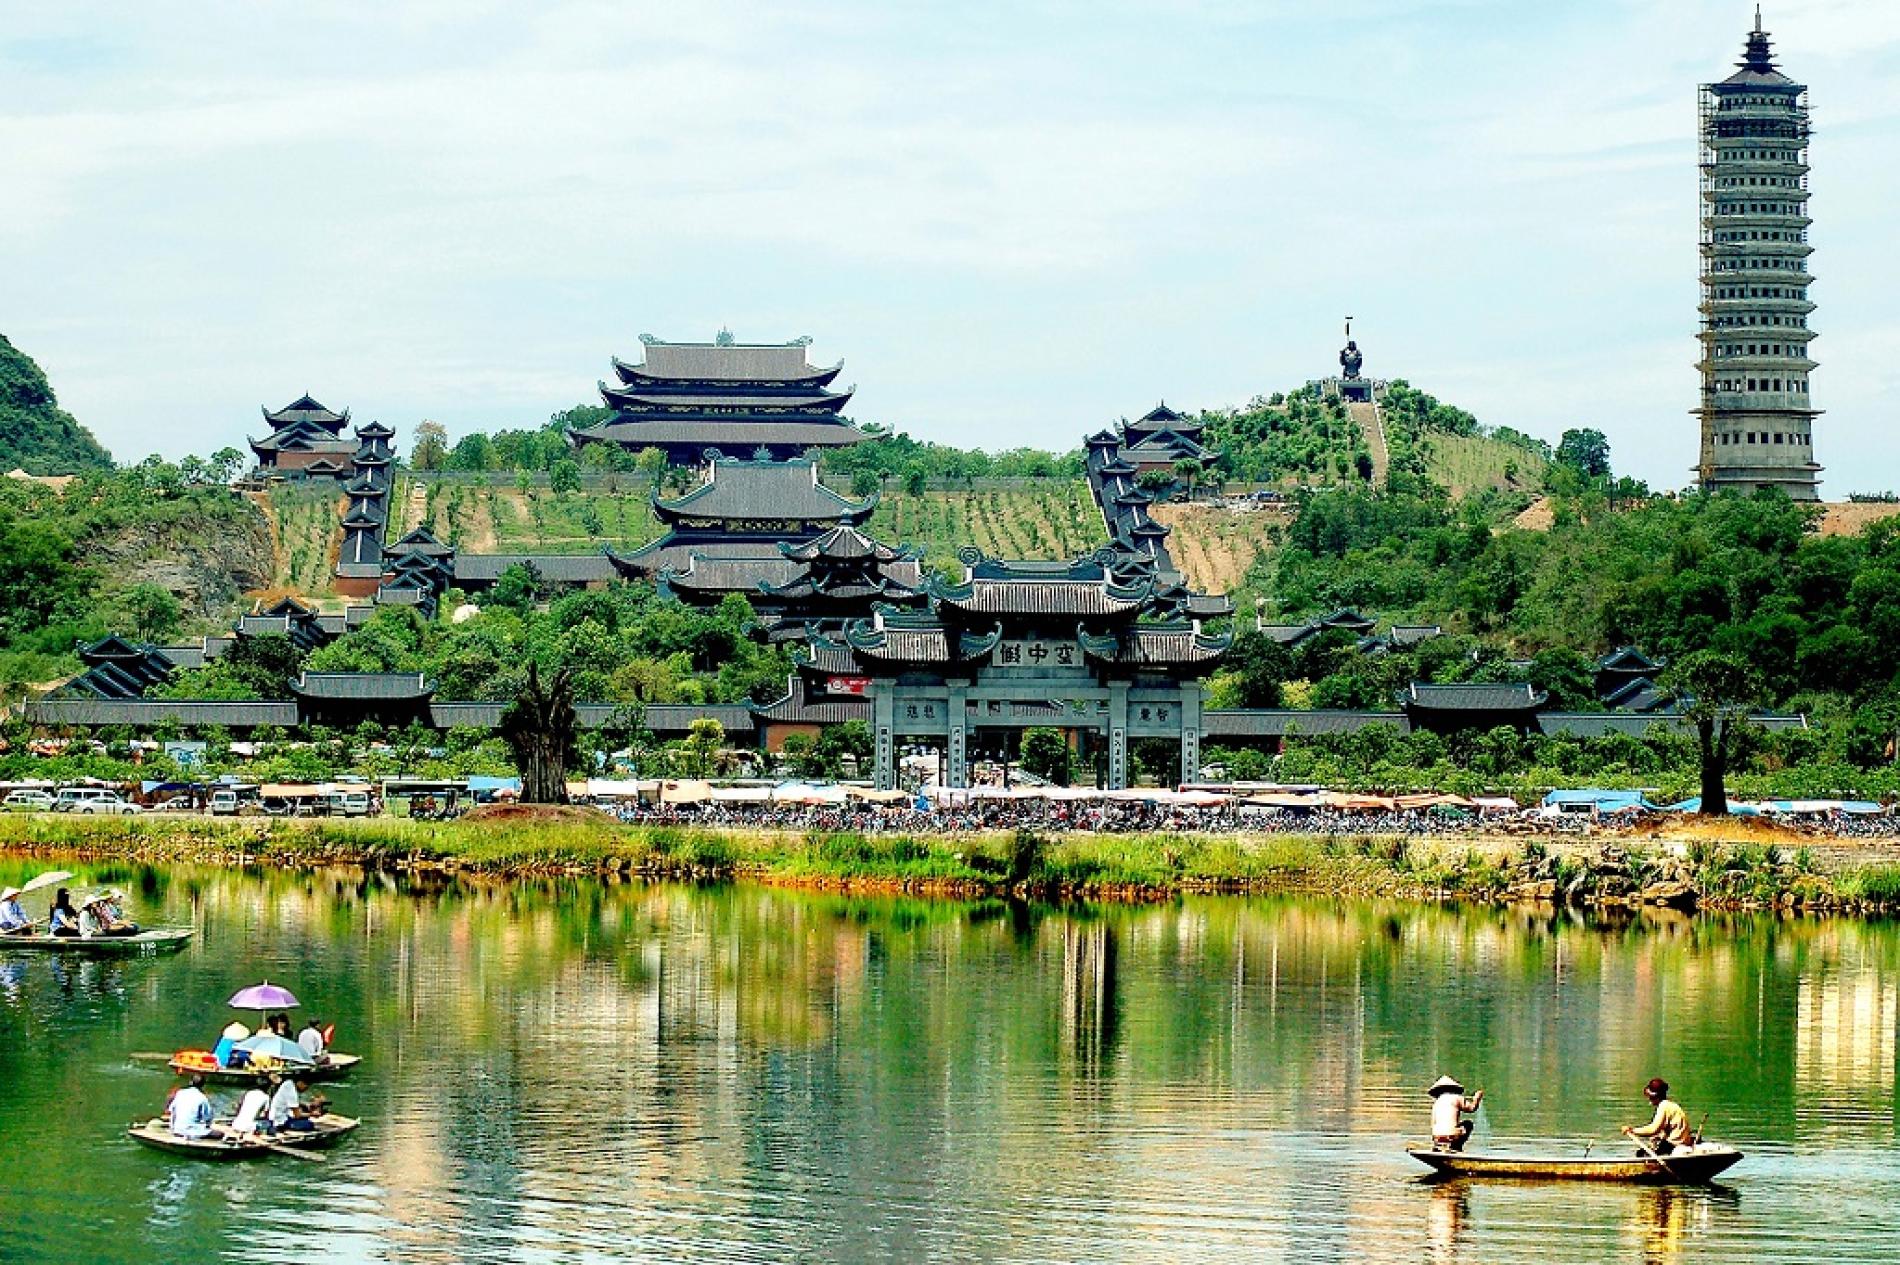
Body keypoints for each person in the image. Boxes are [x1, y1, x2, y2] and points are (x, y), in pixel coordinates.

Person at [1623, 1077, 1694, 1156]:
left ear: (1656, 1097)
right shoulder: (1671, 1104)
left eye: (1651, 1098)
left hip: (1675, 1144)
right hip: (1681, 1142)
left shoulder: (1664, 1106)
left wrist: (1632, 1130)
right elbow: (1663, 1130)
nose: (1649, 1102)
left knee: (1641, 1153)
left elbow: (1653, 1129)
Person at [1428, 1075, 1484, 1152]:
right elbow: (1472, 1108)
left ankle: (1438, 1146)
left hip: (1436, 1137)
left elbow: (1433, 1124)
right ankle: (1456, 1147)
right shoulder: (1457, 1098)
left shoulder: (1436, 1102)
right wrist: (1477, 1098)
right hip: (1452, 1136)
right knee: (1468, 1124)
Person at [168, 1074, 214, 1139]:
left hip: (176, 1129)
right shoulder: (203, 1098)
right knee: (220, 1134)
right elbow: (208, 1118)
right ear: (203, 1085)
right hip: (191, 1132)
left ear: (190, 1082)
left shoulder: (180, 1093)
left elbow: (172, 1110)